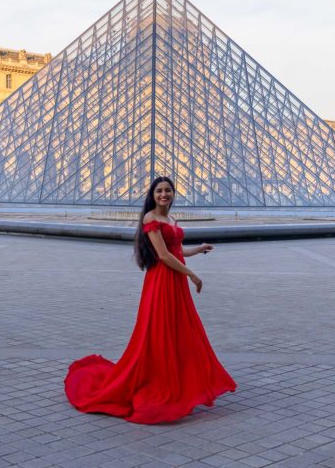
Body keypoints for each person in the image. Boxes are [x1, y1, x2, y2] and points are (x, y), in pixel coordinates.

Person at [64, 176, 236, 424]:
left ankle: (176, 377)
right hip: (163, 281)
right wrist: (193, 275)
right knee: (159, 331)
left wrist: (198, 249)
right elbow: (164, 256)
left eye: (168, 190)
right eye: (159, 191)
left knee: (179, 330)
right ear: (152, 195)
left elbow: (176, 249)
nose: (164, 194)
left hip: (175, 280)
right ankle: (160, 380)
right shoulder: (151, 219)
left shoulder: (169, 219)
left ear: (173, 193)